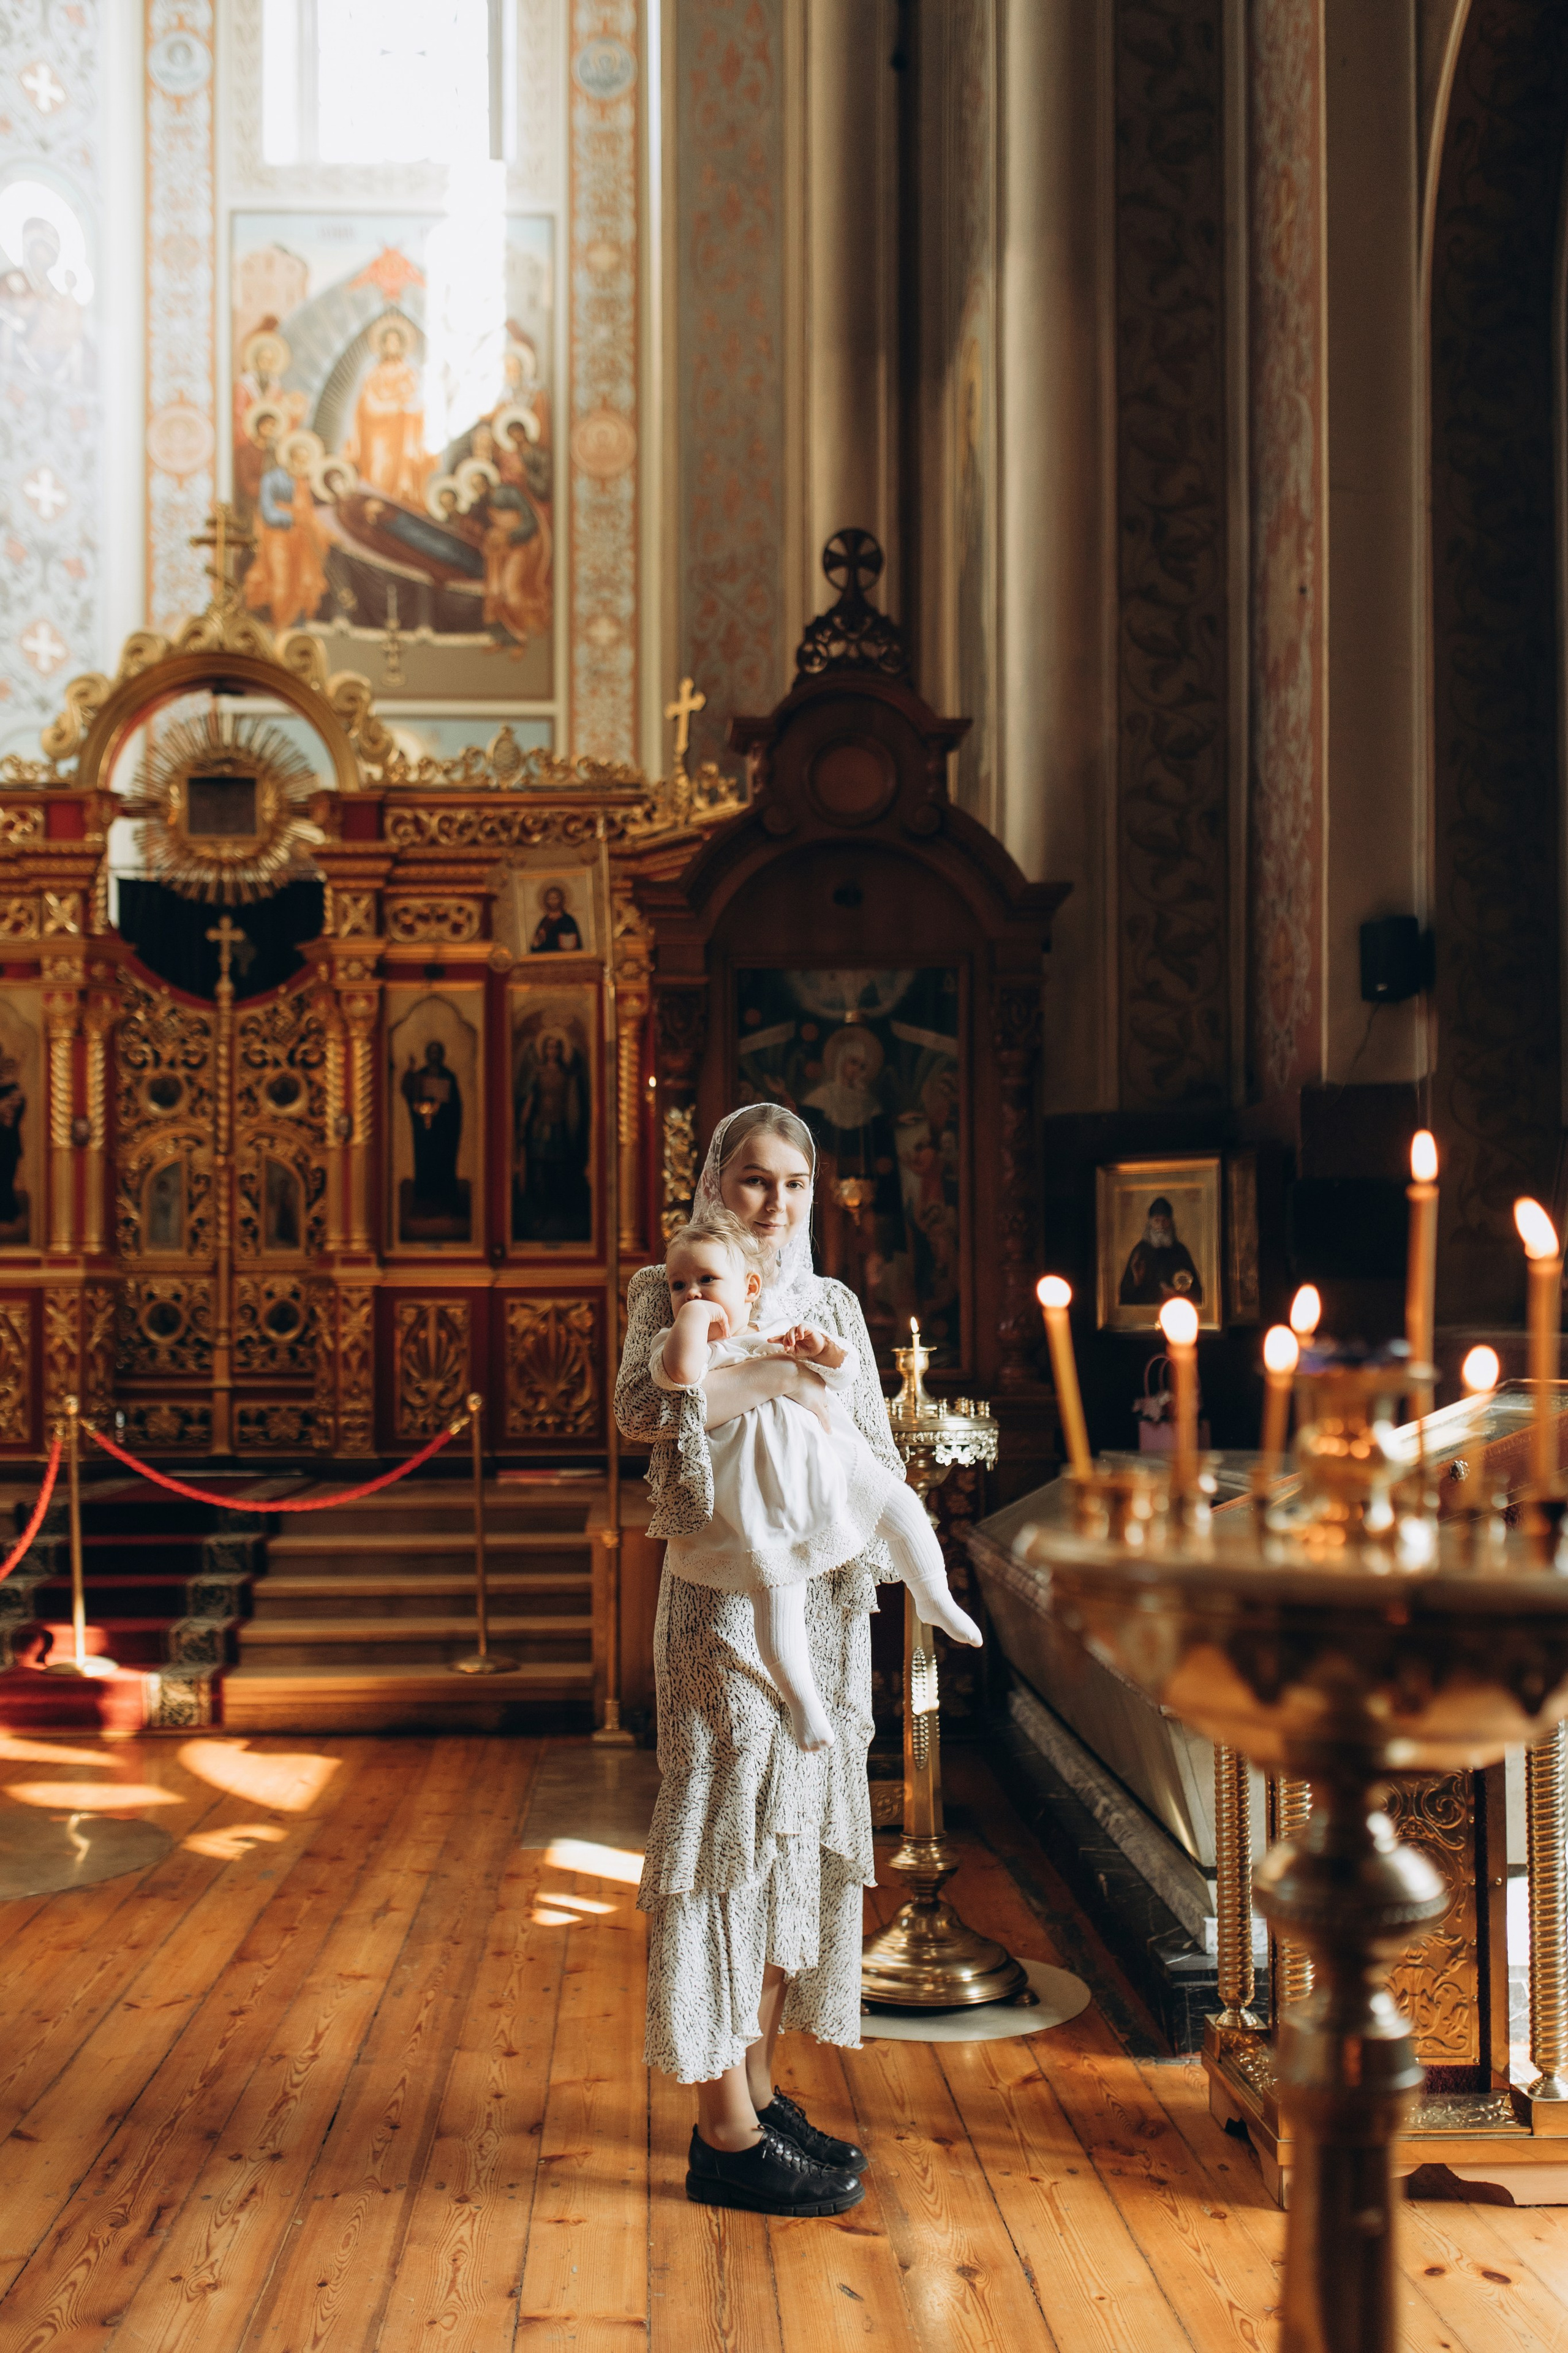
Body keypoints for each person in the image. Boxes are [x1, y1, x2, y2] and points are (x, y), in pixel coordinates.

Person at [616, 1103, 969, 2219]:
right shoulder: (665, 1283)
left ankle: (759, 2088)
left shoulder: (835, 1305)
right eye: (755, 1180)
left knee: (792, 1847)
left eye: (796, 1185)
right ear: (719, 1180)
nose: (775, 1204)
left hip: (817, 1596)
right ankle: (720, 2131)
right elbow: (640, 1409)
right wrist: (763, 1379)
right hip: (721, 1606)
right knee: (726, 1842)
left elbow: (865, 1445)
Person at [650, 1207, 979, 1753]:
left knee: (901, 1507)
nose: (692, 1294)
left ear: (750, 1287)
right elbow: (681, 1378)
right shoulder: (686, 1345)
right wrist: (692, 1318)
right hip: (758, 1497)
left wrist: (820, 1350)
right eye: (678, 1285)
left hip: (825, 1463)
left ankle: (932, 1594)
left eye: (708, 1281)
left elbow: (844, 1371)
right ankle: (803, 1702)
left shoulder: (780, 1329)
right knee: (777, 1599)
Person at [1118, 1195, 1204, 1307]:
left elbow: (1196, 1292)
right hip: (1146, 1312)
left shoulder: (1180, 1251)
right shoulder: (1141, 1251)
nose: (1161, 1225)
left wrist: (1177, 1292)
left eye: (1165, 1221)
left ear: (1170, 1223)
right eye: (1157, 1221)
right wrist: (1137, 1281)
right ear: (1150, 1223)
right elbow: (1126, 1295)